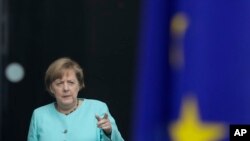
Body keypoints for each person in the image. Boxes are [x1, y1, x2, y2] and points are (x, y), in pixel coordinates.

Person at [28, 57, 124, 141]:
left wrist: (109, 132)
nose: (66, 88)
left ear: (80, 85)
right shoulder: (39, 115)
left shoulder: (98, 108)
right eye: (59, 83)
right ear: (51, 88)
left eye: (70, 82)